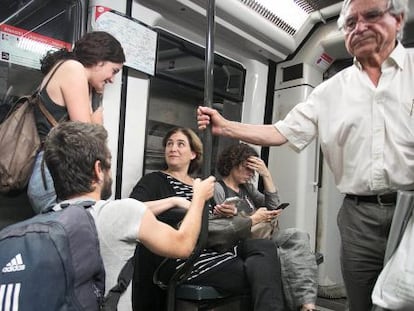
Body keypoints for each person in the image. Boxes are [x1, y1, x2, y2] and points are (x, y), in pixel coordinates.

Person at [197, 0, 413, 310]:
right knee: (361, 300)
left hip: (410, 207)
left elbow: (269, 204)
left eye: (373, 15)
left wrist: (265, 179)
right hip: (358, 216)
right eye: (350, 23)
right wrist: (226, 127)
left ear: (399, 19)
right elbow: (281, 132)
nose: (360, 27)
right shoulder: (329, 92)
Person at [42, 121, 216, 311]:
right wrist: (198, 198)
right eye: (109, 163)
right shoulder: (121, 212)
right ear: (99, 170)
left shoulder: (44, 222)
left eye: (180, 144)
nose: (173, 148)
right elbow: (183, 245)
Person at [130, 127, 285, 311]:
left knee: (264, 247)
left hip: (215, 245)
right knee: (260, 273)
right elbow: (131, 210)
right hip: (187, 255)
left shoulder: (201, 184)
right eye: (169, 144)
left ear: (193, 154)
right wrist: (175, 201)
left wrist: (222, 213)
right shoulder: (155, 180)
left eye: (180, 144)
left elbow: (209, 221)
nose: (173, 148)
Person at [28, 31, 125, 214]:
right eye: (114, 71)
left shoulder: (75, 75)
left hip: (55, 174)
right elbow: (89, 139)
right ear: (100, 60)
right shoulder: (73, 69)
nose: (112, 79)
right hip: (53, 177)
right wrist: (97, 119)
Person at [213, 143, 318, 311]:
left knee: (298, 236)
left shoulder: (246, 188)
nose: (250, 174)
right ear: (233, 164)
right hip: (243, 242)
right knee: (288, 255)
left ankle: (308, 306)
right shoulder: (218, 189)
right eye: (247, 168)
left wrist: (266, 175)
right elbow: (221, 228)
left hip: (263, 236)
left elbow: (272, 204)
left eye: (253, 171)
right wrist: (250, 217)